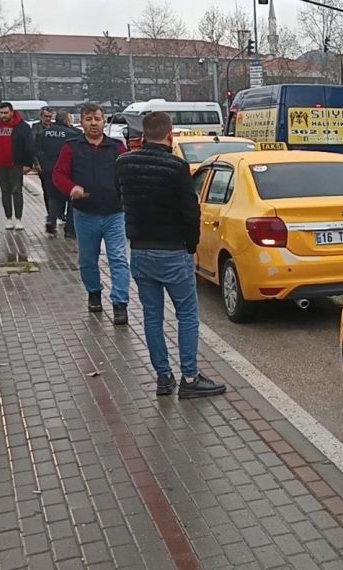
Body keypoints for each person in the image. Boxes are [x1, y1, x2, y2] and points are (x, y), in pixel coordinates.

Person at [117, 111, 227, 399]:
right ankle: (189, 378)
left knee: (152, 316)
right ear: (170, 135)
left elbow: (122, 199)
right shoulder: (177, 168)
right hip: (173, 251)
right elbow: (191, 213)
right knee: (187, 314)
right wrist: (191, 246)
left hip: (140, 250)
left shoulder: (123, 164)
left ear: (143, 135)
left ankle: (163, 377)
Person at [53, 103, 130, 325]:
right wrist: (71, 189)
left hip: (115, 214)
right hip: (85, 214)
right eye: (89, 119)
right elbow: (59, 175)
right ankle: (94, 293)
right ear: (82, 123)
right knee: (87, 259)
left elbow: (127, 173)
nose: (94, 123)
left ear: (104, 121)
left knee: (118, 259)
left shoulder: (116, 147)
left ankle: (120, 303)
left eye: (97, 118)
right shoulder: (71, 147)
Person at [0, 102, 35, 230]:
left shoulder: (22, 127)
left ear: (12, 112)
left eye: (6, 113)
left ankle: (18, 219)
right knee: (5, 191)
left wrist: (28, 163)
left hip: (16, 164)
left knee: (17, 191)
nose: (3, 115)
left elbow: (29, 146)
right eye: (1, 113)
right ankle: (8, 218)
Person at [36, 110, 81, 236]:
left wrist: (41, 164)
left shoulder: (43, 133)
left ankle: (51, 221)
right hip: (67, 170)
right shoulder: (73, 134)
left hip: (49, 169)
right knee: (71, 198)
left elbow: (37, 150)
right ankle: (70, 229)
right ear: (66, 120)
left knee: (53, 197)